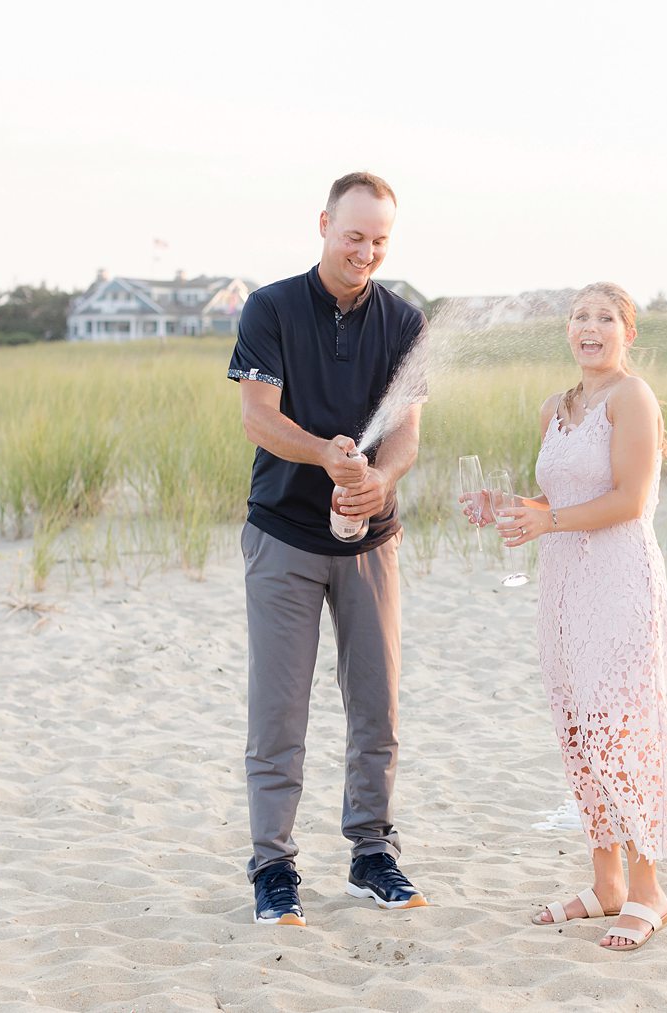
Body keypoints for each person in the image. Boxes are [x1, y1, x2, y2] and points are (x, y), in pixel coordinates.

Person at [474, 282, 667, 951]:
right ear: (567, 330)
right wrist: (504, 502)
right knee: (580, 736)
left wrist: (547, 517)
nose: (591, 327)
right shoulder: (556, 406)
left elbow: (630, 500)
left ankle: (647, 891)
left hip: (619, 585)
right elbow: (559, 497)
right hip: (563, 590)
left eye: (606, 318)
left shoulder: (633, 398)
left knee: (625, 733)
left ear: (627, 334)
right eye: (581, 316)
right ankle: (605, 883)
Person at [228, 171, 428, 925]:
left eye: (379, 240)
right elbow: (258, 417)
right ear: (323, 224)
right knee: (279, 710)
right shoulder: (270, 307)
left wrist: (381, 476)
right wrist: (326, 455)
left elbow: (408, 428)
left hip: (371, 543)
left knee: (376, 705)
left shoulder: (406, 320)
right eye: (354, 235)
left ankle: (372, 853)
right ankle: (272, 866)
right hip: (283, 534)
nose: (366, 251)